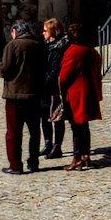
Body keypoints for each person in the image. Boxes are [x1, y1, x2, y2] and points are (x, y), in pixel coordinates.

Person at [0, 16, 50, 174]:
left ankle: (15, 165)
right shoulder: (40, 45)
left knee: (14, 131)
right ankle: (34, 162)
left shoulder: (12, 46)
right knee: (34, 131)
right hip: (34, 95)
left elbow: (6, 69)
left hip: (15, 95)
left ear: (15, 31)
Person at [52, 21, 104, 169]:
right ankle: (86, 155)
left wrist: (57, 90)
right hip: (90, 92)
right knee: (84, 126)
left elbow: (63, 76)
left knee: (76, 126)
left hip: (77, 94)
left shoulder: (74, 51)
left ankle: (77, 158)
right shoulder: (92, 51)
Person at [36, 15, 73, 161]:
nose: (43, 33)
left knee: (57, 117)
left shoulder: (60, 48)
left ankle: (57, 146)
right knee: (44, 116)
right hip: (44, 88)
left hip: (55, 88)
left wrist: (45, 80)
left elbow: (56, 69)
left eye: (45, 30)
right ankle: (47, 143)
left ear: (53, 31)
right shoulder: (46, 46)